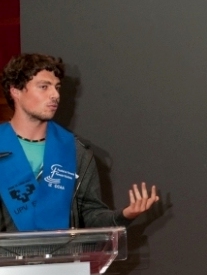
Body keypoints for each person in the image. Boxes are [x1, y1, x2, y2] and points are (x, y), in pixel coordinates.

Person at [0, 53, 158, 231]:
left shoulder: (75, 151)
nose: (55, 95)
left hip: (64, 249)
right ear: (16, 91)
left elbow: (91, 214)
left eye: (57, 87)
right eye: (44, 87)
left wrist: (125, 215)